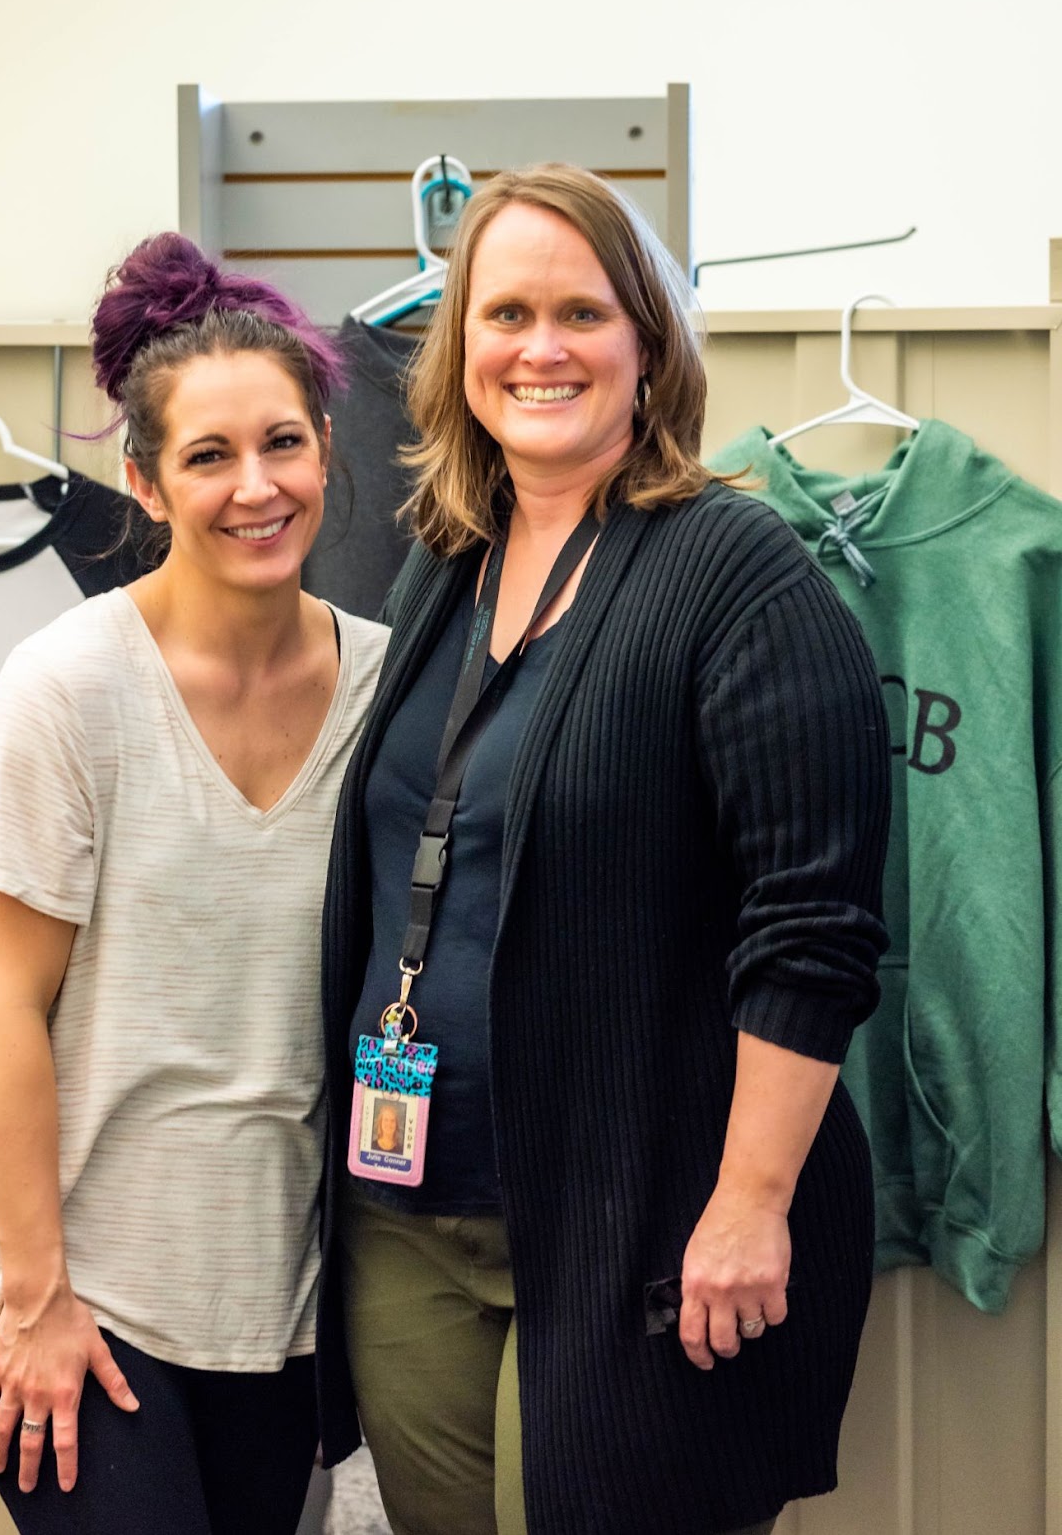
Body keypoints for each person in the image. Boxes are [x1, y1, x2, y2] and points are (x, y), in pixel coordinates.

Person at [317, 165, 890, 1535]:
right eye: (506, 311)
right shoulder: (448, 559)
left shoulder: (739, 572)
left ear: (650, 344)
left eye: (583, 309)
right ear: (459, 351)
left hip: (636, 1222)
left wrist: (752, 1202)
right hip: (411, 1214)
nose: (542, 346)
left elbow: (812, 926)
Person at [0, 232, 389, 1535]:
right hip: (74, 1294)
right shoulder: (67, 689)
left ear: (324, 448)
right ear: (143, 476)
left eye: (283, 443)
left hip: (275, 1303)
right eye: (209, 455)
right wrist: (33, 1300)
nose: (257, 485)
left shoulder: (384, 684)